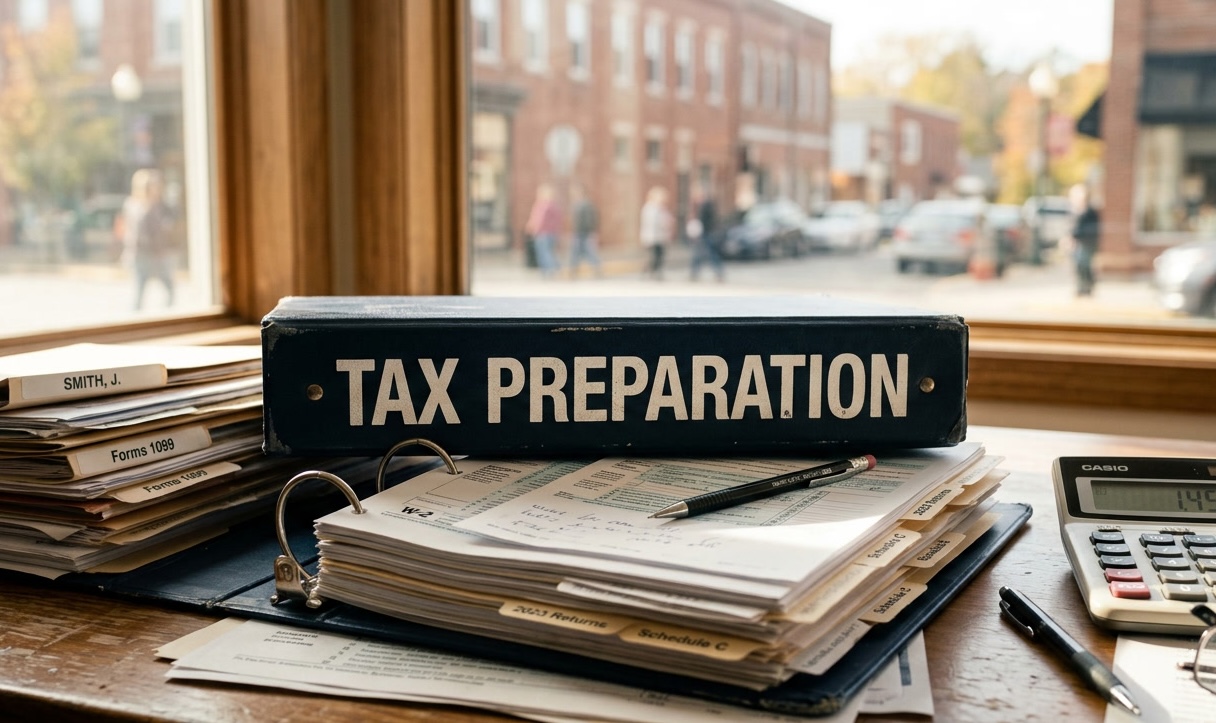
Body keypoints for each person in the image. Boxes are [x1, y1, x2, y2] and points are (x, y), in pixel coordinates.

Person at [121, 168, 175, 310]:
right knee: (140, 290)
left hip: (156, 253)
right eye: (153, 186)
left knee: (168, 287)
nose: (157, 189)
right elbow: (139, 234)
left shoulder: (158, 206)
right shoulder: (137, 206)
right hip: (144, 255)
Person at [1069, 184, 1101, 297]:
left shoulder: (1090, 212)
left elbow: (1092, 228)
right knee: (1078, 265)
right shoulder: (1076, 211)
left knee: (1084, 264)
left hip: (1087, 242)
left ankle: (1088, 286)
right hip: (1078, 242)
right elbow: (1072, 228)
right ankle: (1081, 287)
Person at [524, 182, 562, 278]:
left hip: (542, 233)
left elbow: (538, 220)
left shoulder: (542, 206)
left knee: (543, 253)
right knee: (549, 252)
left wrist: (533, 228)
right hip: (552, 233)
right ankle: (552, 269)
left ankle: (549, 271)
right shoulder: (554, 206)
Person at [688, 188, 724, 281]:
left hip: (706, 233)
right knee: (702, 254)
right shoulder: (706, 206)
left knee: (706, 254)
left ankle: (696, 273)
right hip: (706, 233)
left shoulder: (705, 206)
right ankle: (696, 272)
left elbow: (704, 221)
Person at [566, 183, 602, 278]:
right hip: (578, 232)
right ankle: (573, 271)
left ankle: (596, 269)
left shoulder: (586, 204)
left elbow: (592, 219)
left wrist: (592, 232)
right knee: (575, 253)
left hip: (586, 233)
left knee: (590, 252)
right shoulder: (575, 204)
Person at [639, 186, 673, 280]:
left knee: (660, 256)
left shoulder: (661, 208)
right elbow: (654, 223)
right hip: (652, 236)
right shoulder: (649, 208)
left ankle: (656, 273)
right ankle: (650, 273)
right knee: (653, 257)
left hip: (661, 236)